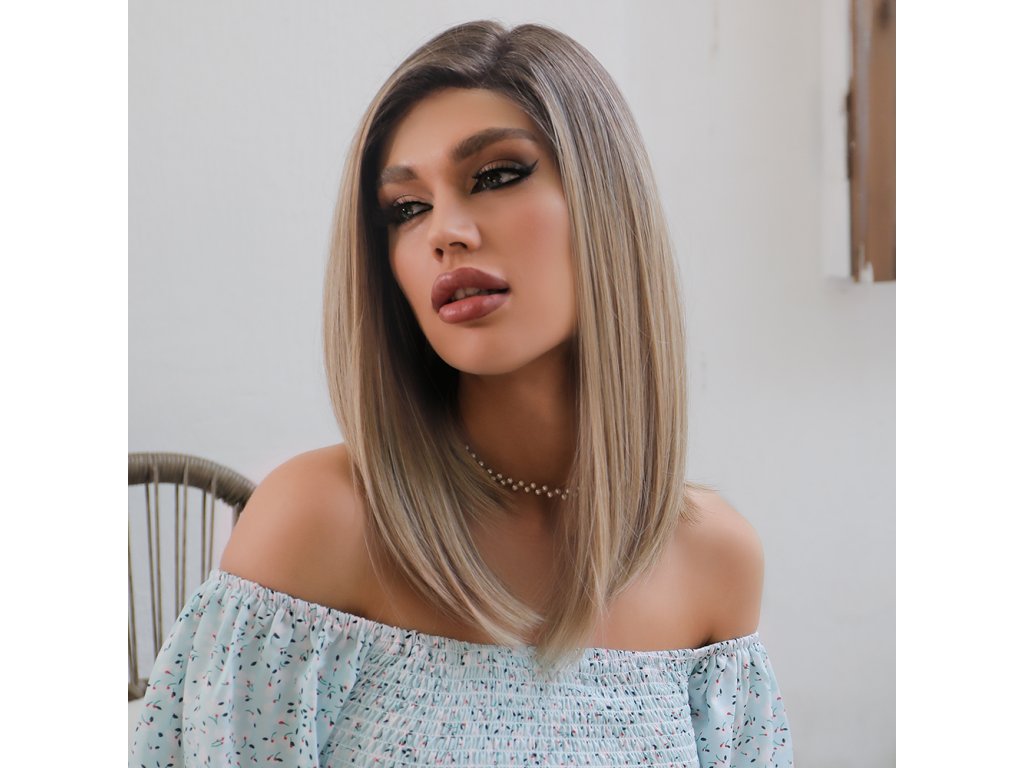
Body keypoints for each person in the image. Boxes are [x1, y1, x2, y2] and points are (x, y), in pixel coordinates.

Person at [130, 20, 792, 767]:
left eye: (497, 175)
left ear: (607, 204)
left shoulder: (716, 559)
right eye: (405, 209)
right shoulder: (317, 524)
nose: (445, 232)